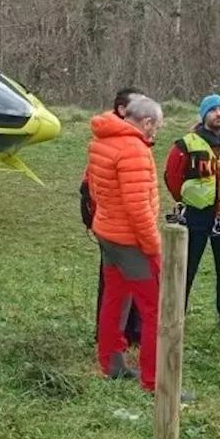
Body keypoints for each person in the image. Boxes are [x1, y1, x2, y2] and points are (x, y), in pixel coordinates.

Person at [85, 94, 165, 390]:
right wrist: (154, 246)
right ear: (146, 122)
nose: (156, 133)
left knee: (115, 299)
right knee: (155, 308)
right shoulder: (134, 150)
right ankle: (155, 380)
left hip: (107, 233)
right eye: (156, 127)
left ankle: (111, 363)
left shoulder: (101, 140)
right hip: (131, 240)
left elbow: (94, 188)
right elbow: (138, 208)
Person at [163, 94, 220, 329]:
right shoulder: (186, 144)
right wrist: (189, 198)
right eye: (212, 110)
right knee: (186, 266)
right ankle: (175, 315)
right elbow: (173, 176)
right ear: (204, 115)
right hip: (196, 214)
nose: (218, 114)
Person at [81, 87, 145, 348]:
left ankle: (128, 332)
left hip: (122, 223)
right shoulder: (113, 140)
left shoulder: (131, 137)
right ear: (122, 110)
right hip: (117, 224)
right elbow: (93, 185)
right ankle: (112, 337)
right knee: (118, 282)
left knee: (130, 280)